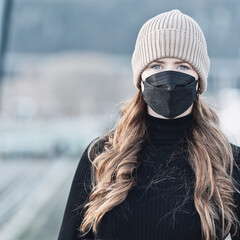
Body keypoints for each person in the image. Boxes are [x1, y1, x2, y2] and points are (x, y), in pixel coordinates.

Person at [57, 9, 240, 240]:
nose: (169, 76)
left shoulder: (228, 163)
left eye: (183, 66)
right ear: (140, 77)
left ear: (199, 79)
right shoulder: (101, 158)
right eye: (157, 65)